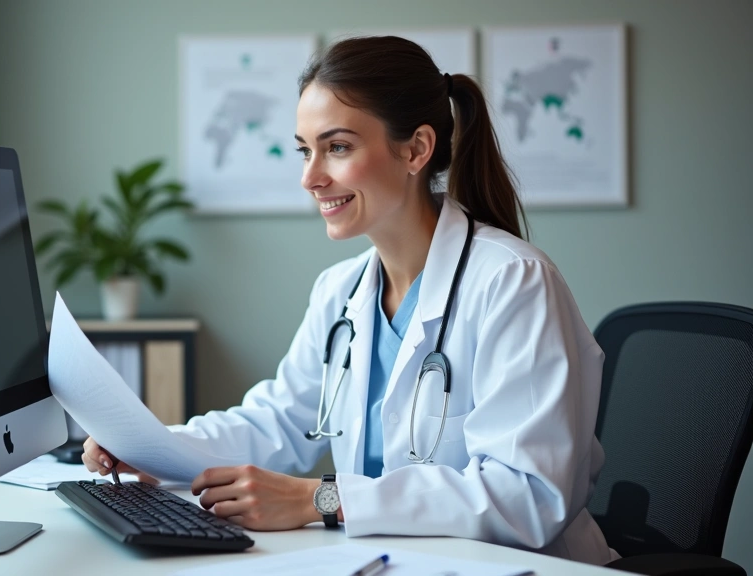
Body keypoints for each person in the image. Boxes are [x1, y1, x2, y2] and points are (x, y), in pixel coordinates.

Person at [83, 36, 617, 565]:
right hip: (395, 559)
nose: (310, 178)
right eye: (305, 149)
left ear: (415, 149)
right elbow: (279, 421)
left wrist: (321, 499)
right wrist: (151, 448)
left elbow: (528, 496)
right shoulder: (342, 289)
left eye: (336, 147)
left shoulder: (513, 282)